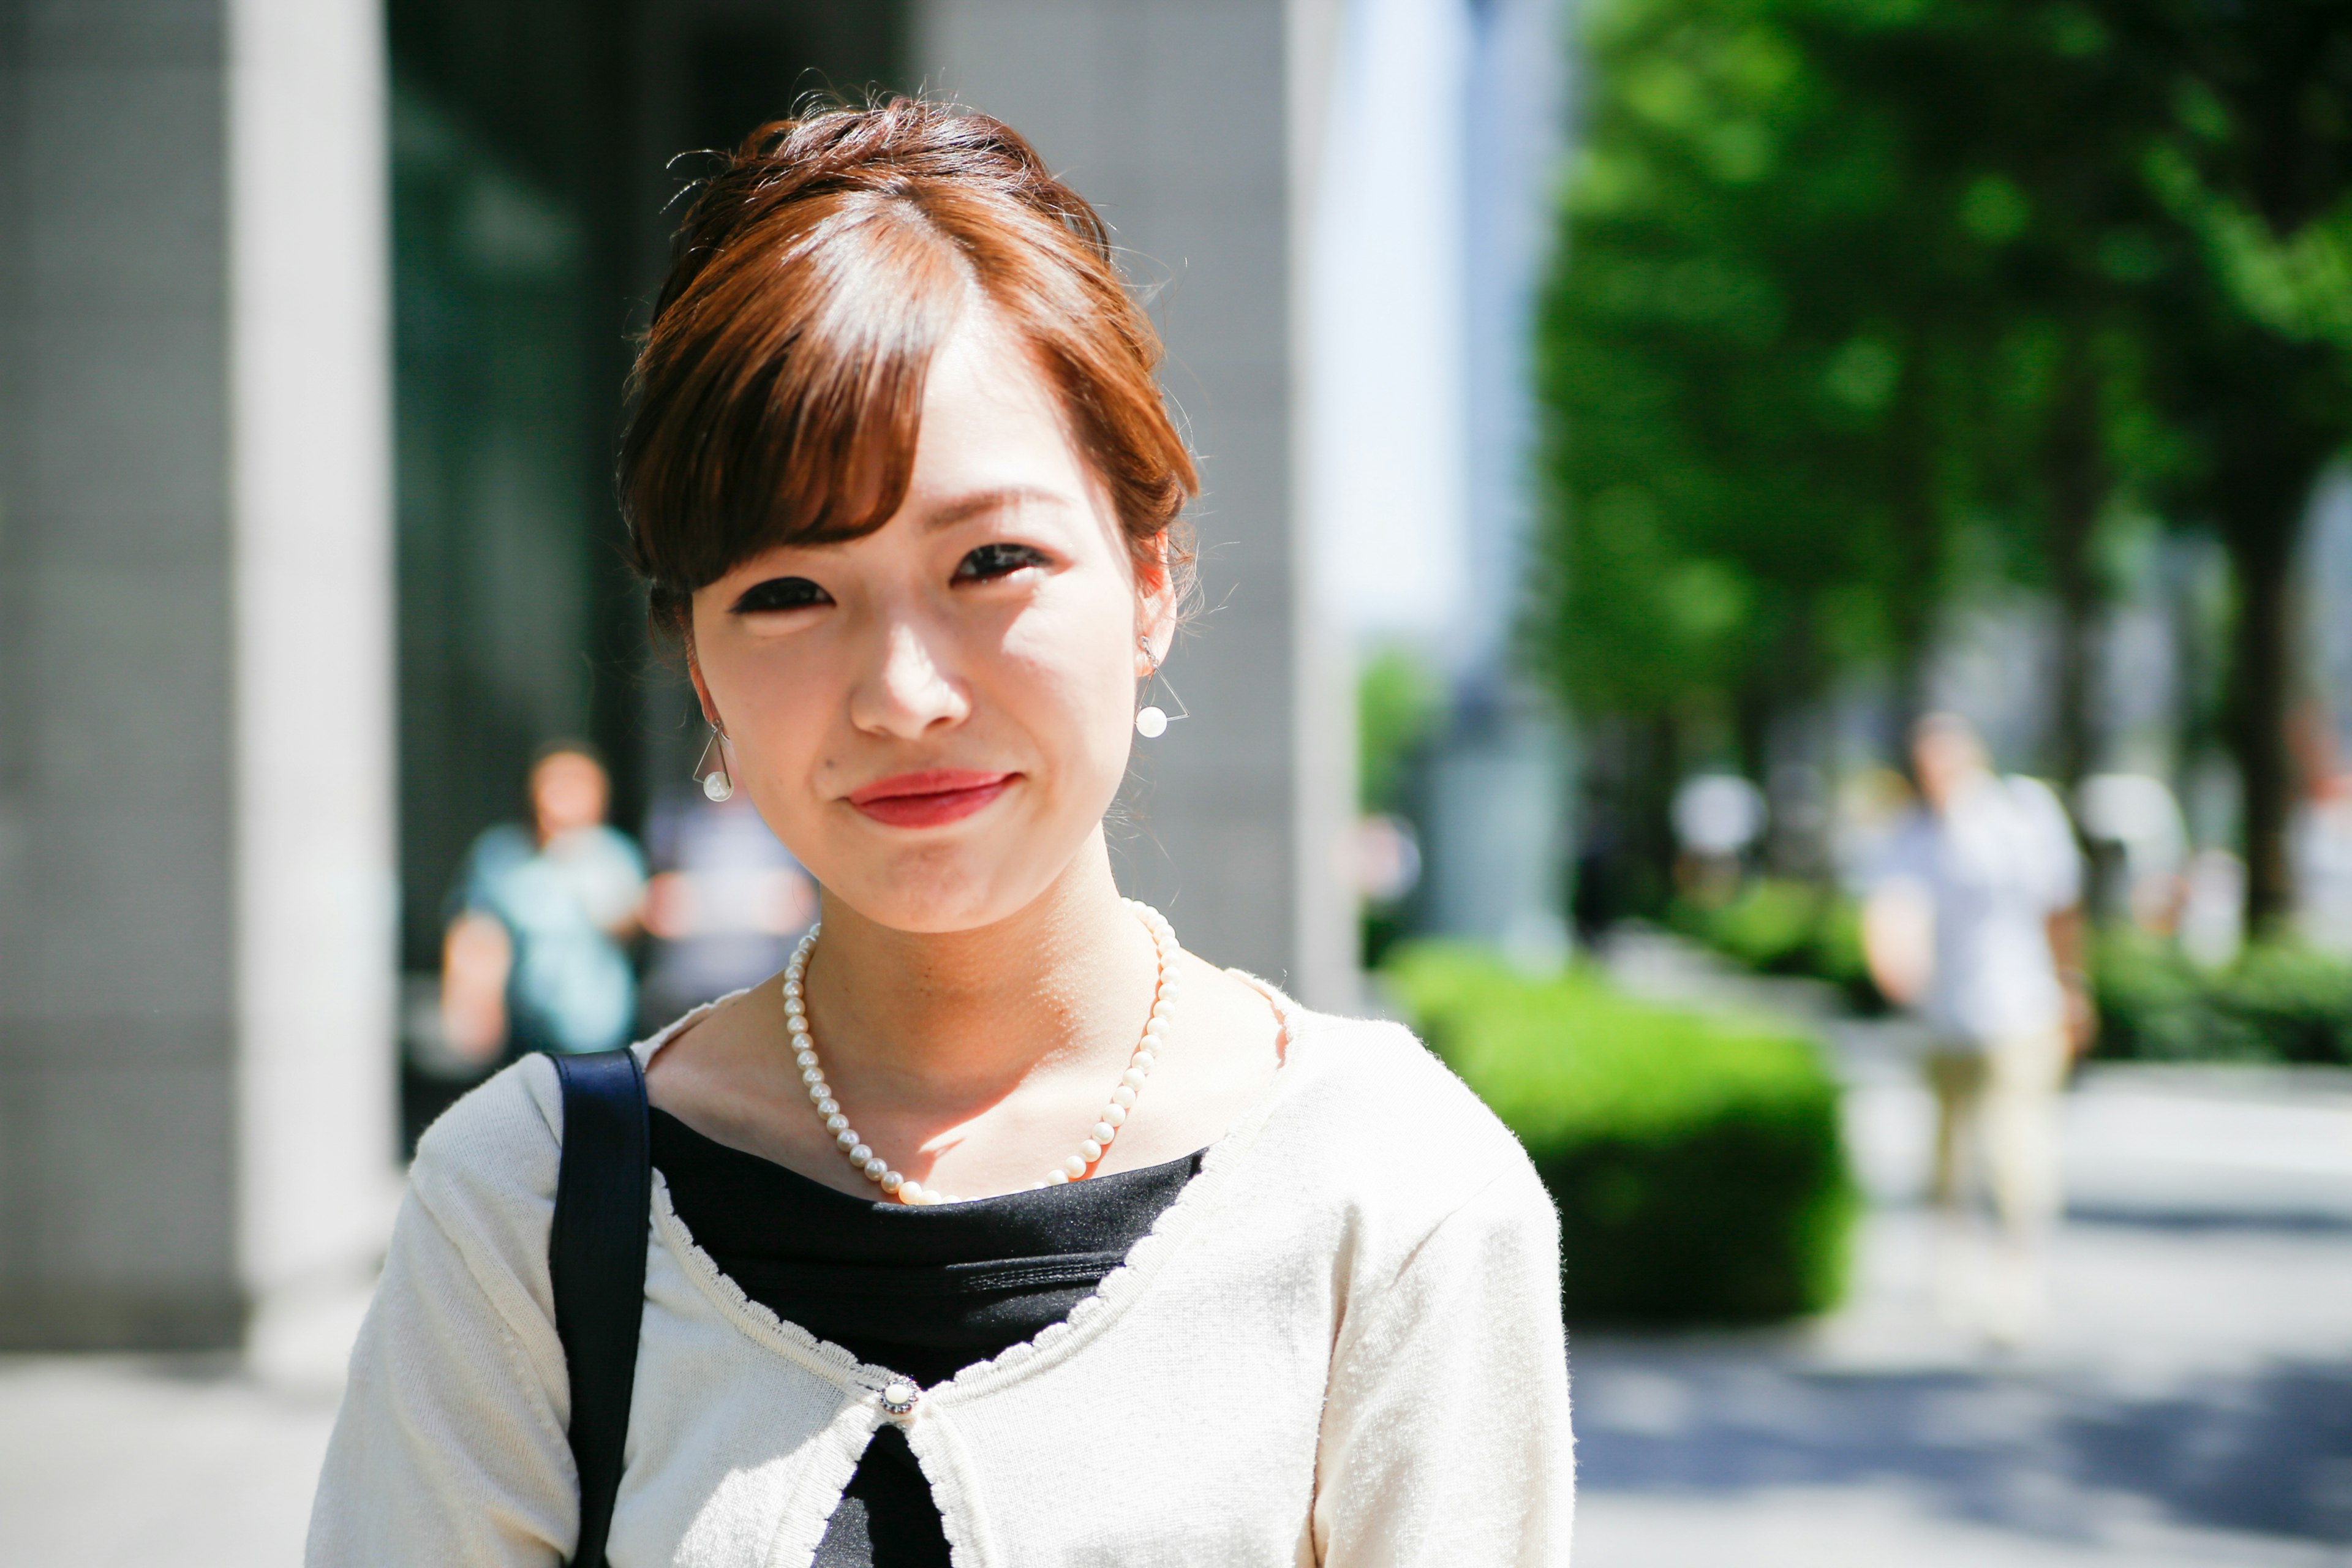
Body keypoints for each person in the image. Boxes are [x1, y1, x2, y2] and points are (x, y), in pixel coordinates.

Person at [309, 99, 1572, 1566]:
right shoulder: (521, 1205)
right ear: (701, 662)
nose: (903, 694)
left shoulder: (1390, 1190)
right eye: (788, 591)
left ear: (1149, 578)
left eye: (991, 559)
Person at [1863, 713, 2088, 1341]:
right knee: (1949, 1153)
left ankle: (2019, 1275)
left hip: (2022, 1010)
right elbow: (1893, 911)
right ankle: (1955, 1272)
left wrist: (2073, 986)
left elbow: (2060, 909)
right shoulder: (1914, 834)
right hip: (1947, 1017)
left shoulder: (2021, 817)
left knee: (2016, 1147)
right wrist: (1894, 959)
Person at [440, 743, 648, 1064]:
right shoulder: (501, 856)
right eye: (549, 786)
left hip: (602, 1036)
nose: (554, 798)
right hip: (525, 1034)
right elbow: (477, 933)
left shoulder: (614, 855)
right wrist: (472, 1002)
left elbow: (629, 926)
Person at [638, 779, 818, 1027]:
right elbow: (659, 901)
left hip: (761, 982)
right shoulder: (676, 823)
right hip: (687, 988)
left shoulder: (784, 828)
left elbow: (797, 904)